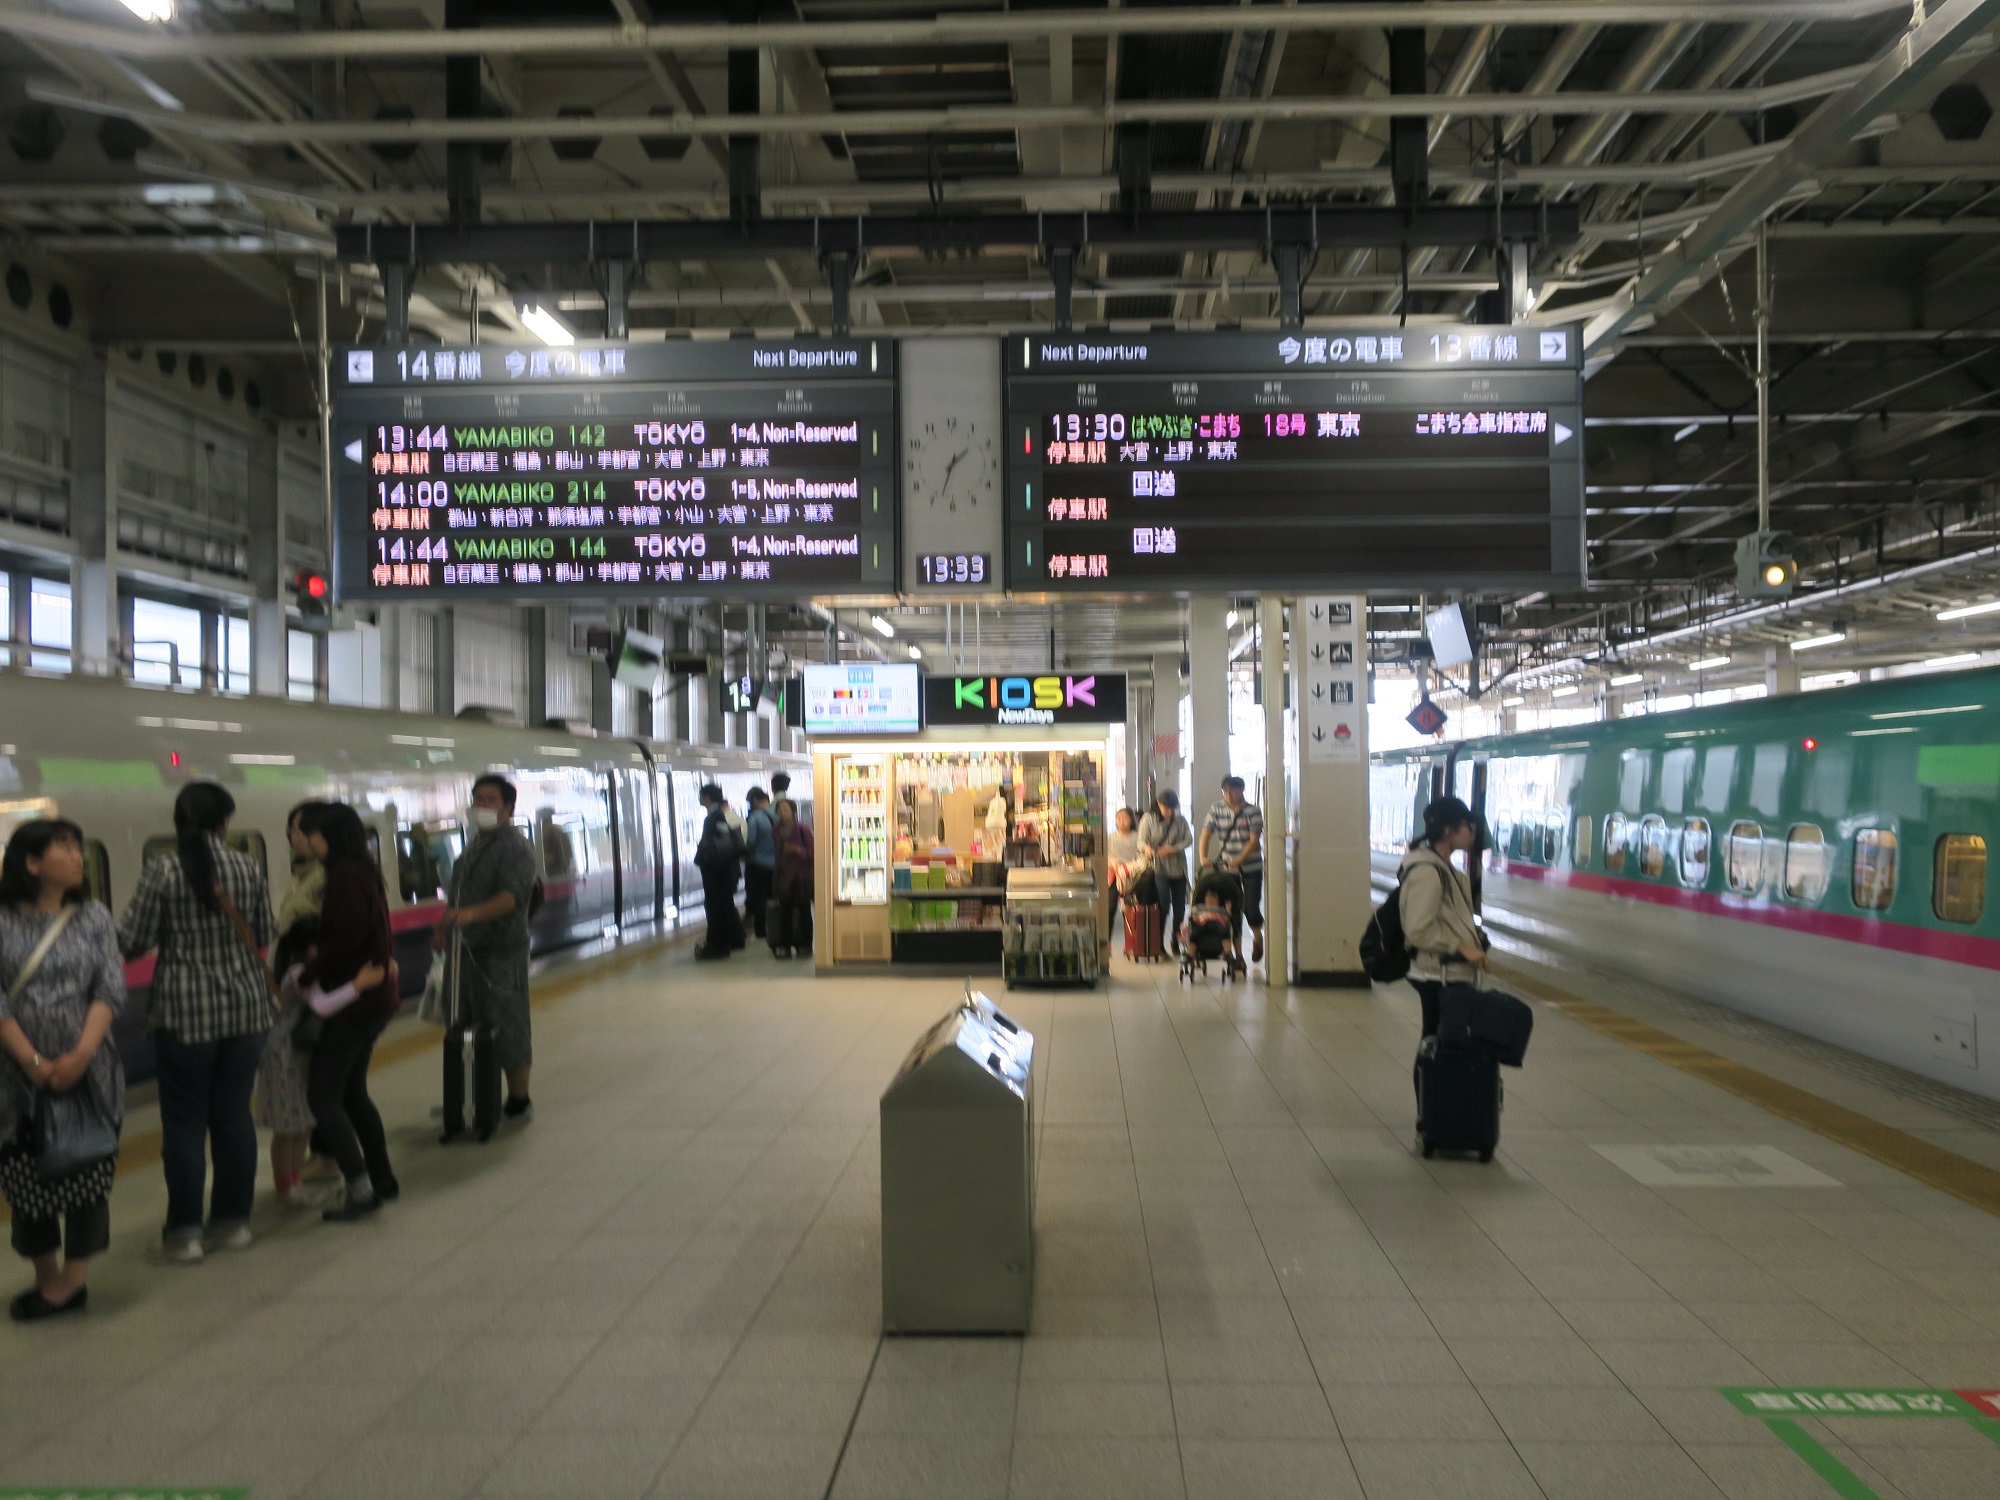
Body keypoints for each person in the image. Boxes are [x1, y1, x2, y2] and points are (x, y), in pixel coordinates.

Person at [118, 781, 274, 1264]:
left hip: (184, 1015)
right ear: (223, 822)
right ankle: (233, 1223)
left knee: (184, 1124)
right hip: (246, 1010)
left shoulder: (162, 872)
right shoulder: (246, 866)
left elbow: (133, 942)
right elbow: (264, 933)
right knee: (233, 1115)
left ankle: (185, 1232)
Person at [0, 819, 125, 1320]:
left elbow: (109, 987)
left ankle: (73, 1282)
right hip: (14, 1078)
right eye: (65, 848)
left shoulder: (92, 916)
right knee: (24, 1175)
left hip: (90, 1069)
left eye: (78, 846)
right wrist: (31, 1061)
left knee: (87, 1169)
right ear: (32, 863)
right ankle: (45, 1275)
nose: (77, 856)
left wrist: (80, 1055)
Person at [299, 803, 398, 1220]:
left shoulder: (342, 877)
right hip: (374, 1000)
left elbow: (346, 939)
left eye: (311, 834)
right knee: (353, 1093)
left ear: (329, 837)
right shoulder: (363, 870)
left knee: (323, 1097)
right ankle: (382, 1179)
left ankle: (360, 1190)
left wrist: (311, 972)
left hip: (355, 1001)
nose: (306, 841)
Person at [434, 775, 537, 1124]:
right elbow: (460, 894)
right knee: (469, 1023)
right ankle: (477, 1094)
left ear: (509, 808)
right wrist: (444, 926)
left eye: (490, 800)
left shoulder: (516, 847)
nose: (480, 805)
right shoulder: (476, 845)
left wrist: (471, 915)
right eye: (477, 798)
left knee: (508, 1023)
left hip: (501, 953)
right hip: (466, 953)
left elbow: (512, 897)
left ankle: (519, 1098)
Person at [1398, 796, 1487, 1040]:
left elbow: (1449, 918)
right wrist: (1461, 947)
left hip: (1448, 974)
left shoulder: (1447, 871)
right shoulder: (1428, 873)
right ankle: (1428, 1079)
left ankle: (1432, 1078)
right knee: (1437, 1047)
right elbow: (1418, 930)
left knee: (1439, 1045)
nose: (1472, 832)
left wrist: (1475, 939)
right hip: (1438, 975)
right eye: (1468, 826)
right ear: (1449, 831)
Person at [258, 917, 323, 1208]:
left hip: (297, 1054)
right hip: (284, 1055)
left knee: (301, 1122)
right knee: (288, 1125)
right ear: (307, 949)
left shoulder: (300, 971)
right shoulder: (297, 975)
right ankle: (285, 1181)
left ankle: (294, 1177)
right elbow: (319, 1001)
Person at [1199, 776, 1268, 964]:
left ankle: (1257, 937)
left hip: (1251, 867)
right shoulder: (1216, 809)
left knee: (1251, 908)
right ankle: (1238, 955)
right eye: (1225, 791)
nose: (1229, 795)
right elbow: (1206, 835)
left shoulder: (1253, 811)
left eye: (1233, 790)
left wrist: (1239, 859)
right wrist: (1203, 857)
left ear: (1241, 791)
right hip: (1227, 869)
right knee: (1232, 910)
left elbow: (1254, 840)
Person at [693, 783, 746, 960]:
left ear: (707, 797)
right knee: (725, 904)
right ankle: (735, 939)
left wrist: (703, 847)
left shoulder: (713, 818)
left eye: (701, 795)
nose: (700, 799)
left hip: (716, 871)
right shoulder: (719, 816)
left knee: (715, 906)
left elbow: (715, 845)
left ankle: (718, 945)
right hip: (724, 869)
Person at [1137, 788, 1193, 955]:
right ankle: (1158, 944)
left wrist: (1173, 848)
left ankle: (1176, 942)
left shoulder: (1180, 820)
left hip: (1178, 869)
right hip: (1158, 868)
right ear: (1159, 804)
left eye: (1173, 808)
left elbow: (1188, 839)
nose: (1170, 812)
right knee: (1163, 906)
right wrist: (1147, 848)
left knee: (1180, 909)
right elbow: (1140, 841)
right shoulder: (1149, 819)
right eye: (1167, 808)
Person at [772, 797, 814, 960]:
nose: (782, 813)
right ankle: (785, 945)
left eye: (785, 810)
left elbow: (812, 854)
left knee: (804, 912)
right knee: (785, 913)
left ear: (793, 812)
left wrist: (797, 850)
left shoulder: (803, 830)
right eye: (779, 810)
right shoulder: (776, 830)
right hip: (783, 877)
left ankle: (805, 944)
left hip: (800, 877)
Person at [276, 800, 328, 932]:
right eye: (294, 830)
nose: (298, 837)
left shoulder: (327, 875)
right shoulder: (295, 878)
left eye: (305, 830)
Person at [742, 787, 776, 940]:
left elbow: (751, 841)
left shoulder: (755, 818)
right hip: (776, 865)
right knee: (773, 897)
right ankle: (775, 926)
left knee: (759, 899)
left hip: (758, 866)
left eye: (749, 802)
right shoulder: (776, 815)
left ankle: (761, 931)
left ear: (755, 800)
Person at [1106, 807, 1140, 927]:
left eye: (1124, 818)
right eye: (1118, 819)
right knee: (1109, 909)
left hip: (1132, 877)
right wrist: (1112, 864)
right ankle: (1106, 941)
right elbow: (1104, 857)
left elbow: (1140, 857)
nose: (1121, 821)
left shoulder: (1137, 837)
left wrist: (1128, 867)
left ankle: (1131, 942)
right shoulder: (1110, 838)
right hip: (1114, 877)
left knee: (1131, 910)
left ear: (1131, 820)